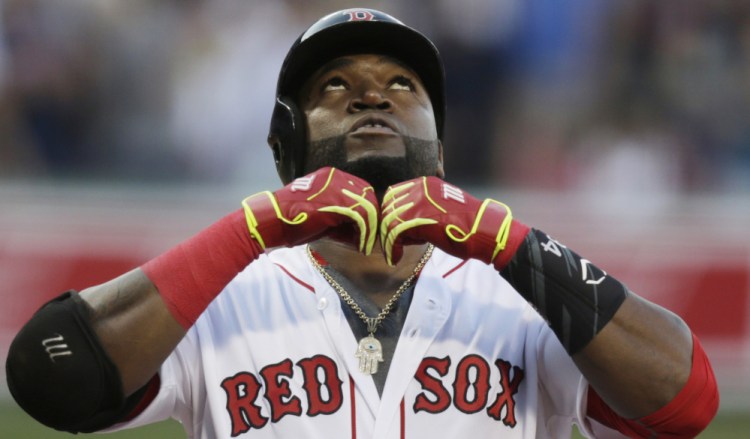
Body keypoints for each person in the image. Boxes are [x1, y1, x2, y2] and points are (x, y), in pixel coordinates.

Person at [6, 8, 719, 438]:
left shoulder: (524, 296)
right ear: (286, 145)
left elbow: (687, 401)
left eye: (401, 87)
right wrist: (253, 228)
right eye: (335, 87)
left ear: (439, 149)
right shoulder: (222, 295)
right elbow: (48, 376)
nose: (372, 95)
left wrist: (508, 240)